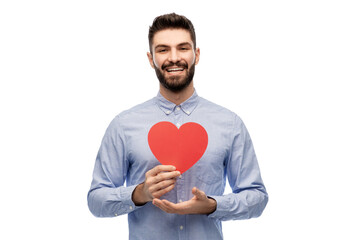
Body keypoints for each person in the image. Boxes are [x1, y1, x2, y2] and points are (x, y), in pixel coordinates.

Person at [88, 13, 268, 240]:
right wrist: (138, 193)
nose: (174, 58)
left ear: (197, 54)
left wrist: (213, 205)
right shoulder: (123, 125)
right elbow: (96, 200)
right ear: (151, 58)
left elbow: (257, 198)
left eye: (183, 48)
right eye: (163, 50)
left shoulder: (230, 124)